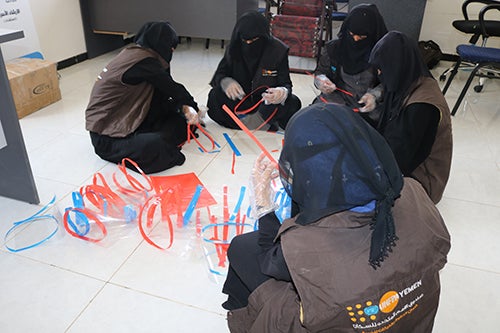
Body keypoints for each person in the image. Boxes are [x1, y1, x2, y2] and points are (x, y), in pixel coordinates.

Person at [222, 103, 451, 332]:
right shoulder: (414, 192)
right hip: (413, 313)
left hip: (342, 316)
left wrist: (263, 204)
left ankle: (245, 317)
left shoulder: (308, 246)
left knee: (241, 248)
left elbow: (270, 259)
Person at [85, 21, 202, 174]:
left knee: (178, 120)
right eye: (171, 47)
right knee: (156, 145)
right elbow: (172, 88)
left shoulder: (136, 53)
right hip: (107, 138)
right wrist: (191, 106)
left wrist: (186, 108)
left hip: (125, 118)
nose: (171, 52)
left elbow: (164, 95)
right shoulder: (144, 62)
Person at [367, 31, 453, 204]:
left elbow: (401, 162)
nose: (378, 73)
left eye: (382, 68)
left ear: (396, 65)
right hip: (403, 160)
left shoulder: (422, 106)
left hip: (421, 181)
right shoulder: (408, 79)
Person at [207, 11, 301, 131]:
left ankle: (244, 123)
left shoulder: (278, 51)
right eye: (245, 41)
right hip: (240, 100)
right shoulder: (235, 47)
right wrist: (227, 82)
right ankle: (257, 123)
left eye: (254, 40)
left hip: (264, 102)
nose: (249, 44)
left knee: (293, 103)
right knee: (214, 96)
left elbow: (286, 84)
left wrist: (280, 92)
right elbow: (219, 75)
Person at [313, 4, 387, 112]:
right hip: (336, 100)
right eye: (352, 34)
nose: (356, 40)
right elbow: (319, 72)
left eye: (362, 37)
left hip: (368, 106)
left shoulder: (382, 53)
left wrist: (375, 95)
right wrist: (321, 81)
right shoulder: (334, 48)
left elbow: (390, 83)